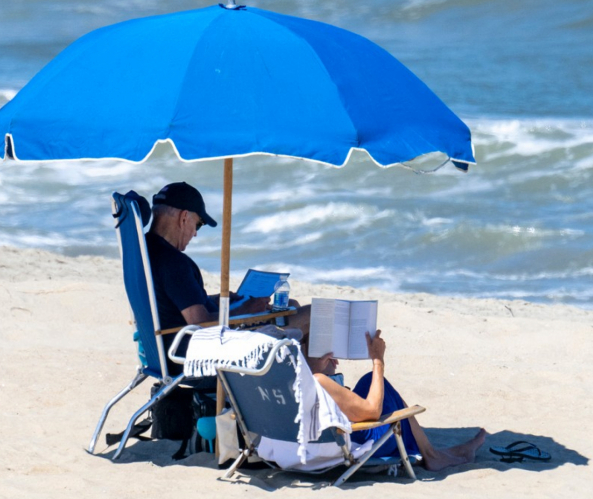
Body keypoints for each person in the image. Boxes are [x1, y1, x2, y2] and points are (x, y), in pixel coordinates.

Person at [146, 182, 310, 371]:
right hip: (197, 354)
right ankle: (311, 391)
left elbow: (171, 302)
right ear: (184, 217)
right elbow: (201, 325)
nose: (195, 233)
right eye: (198, 224)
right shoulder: (173, 262)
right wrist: (245, 310)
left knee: (292, 307)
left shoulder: (146, 251)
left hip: (168, 348)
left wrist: (214, 300)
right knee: (309, 315)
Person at [306, 330, 488, 471]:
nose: (334, 360)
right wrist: (378, 361)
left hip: (306, 449)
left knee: (368, 382)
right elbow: (372, 411)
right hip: (359, 444)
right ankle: (432, 455)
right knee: (376, 381)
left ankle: (433, 453)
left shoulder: (284, 379)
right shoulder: (318, 380)